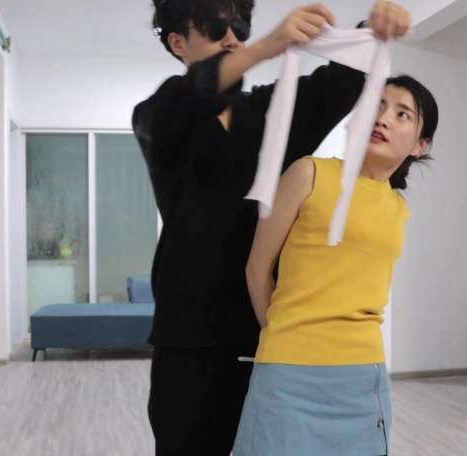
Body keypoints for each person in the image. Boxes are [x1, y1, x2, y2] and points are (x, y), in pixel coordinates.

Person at [132, 1, 412, 454]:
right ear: (177, 42)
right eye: (214, 27)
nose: (232, 37)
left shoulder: (270, 112)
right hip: (190, 344)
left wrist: (374, 28)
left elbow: (341, 81)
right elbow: (189, 94)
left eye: (240, 26)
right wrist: (267, 46)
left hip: (269, 340)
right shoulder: (160, 116)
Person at [232, 74, 439, 456]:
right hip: (288, 371)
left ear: (420, 144)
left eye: (402, 114)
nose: (382, 118)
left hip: (363, 376)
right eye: (377, 106)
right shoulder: (308, 173)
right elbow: (256, 269)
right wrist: (283, 335)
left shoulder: (398, 209)